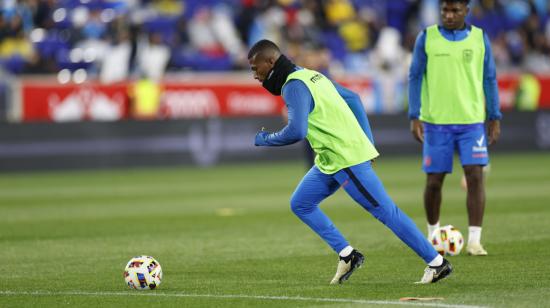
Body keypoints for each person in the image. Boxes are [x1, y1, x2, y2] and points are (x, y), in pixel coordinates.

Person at [248, 39, 452, 285]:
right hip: (330, 160)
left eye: (254, 67)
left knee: (385, 211)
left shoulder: (293, 86)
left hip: (345, 158)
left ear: (270, 62)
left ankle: (436, 262)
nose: (254, 75)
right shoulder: (312, 76)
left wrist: (265, 138)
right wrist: (368, 142)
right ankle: (348, 255)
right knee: (301, 204)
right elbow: (353, 98)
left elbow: (297, 131)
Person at [408, 0, 502, 256]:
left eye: (455, 11)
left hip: (471, 122)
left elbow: (489, 78)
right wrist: (414, 114)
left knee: (475, 176)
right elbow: (415, 76)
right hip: (436, 123)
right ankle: (432, 235)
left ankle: (474, 240)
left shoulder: (480, 38)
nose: (449, 16)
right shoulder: (426, 37)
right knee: (434, 181)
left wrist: (494, 114)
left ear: (466, 12)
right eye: (445, 11)